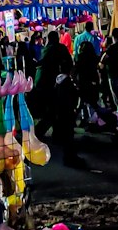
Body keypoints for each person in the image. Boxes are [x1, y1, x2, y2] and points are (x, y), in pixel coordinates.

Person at [34, 30, 84, 167]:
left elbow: (42, 64)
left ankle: (40, 133)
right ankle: (50, 135)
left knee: (52, 112)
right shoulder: (61, 49)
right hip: (58, 84)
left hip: (47, 85)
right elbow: (68, 62)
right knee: (58, 114)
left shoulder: (46, 49)